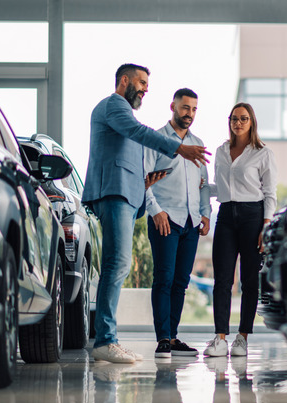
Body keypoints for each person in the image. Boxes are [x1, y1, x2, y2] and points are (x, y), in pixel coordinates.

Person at [83, 64, 210, 364]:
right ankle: (105, 340)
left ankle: (108, 338)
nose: (145, 89)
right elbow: (137, 132)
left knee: (120, 266)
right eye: (141, 82)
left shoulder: (123, 112)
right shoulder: (114, 105)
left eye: (147, 84)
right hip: (113, 192)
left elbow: (133, 162)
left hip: (126, 195)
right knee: (117, 265)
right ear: (124, 80)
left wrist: (145, 185)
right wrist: (178, 149)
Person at [204, 102, 277, 357]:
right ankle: (220, 338)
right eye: (234, 118)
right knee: (222, 279)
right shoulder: (221, 151)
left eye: (244, 119)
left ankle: (242, 338)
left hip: (252, 217)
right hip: (225, 215)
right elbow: (221, 187)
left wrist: (266, 226)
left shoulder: (262, 153)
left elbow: (270, 193)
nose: (238, 123)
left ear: (251, 122)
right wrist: (201, 189)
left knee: (248, 280)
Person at [145, 88, 211, 358]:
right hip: (165, 220)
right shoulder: (156, 140)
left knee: (181, 282)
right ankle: (162, 338)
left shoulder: (198, 142)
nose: (190, 114)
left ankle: (172, 337)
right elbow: (143, 178)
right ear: (173, 106)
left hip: (191, 222)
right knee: (164, 279)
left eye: (194, 109)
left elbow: (203, 184)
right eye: (185, 108)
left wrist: (205, 213)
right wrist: (156, 211)